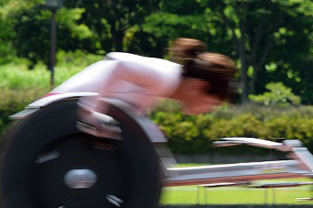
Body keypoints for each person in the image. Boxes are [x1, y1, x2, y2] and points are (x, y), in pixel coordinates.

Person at [47, 38, 236, 138]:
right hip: (54, 111)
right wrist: (89, 112)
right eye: (211, 104)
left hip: (63, 117)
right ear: (199, 87)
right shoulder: (164, 77)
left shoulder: (166, 84)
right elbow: (117, 62)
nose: (207, 111)